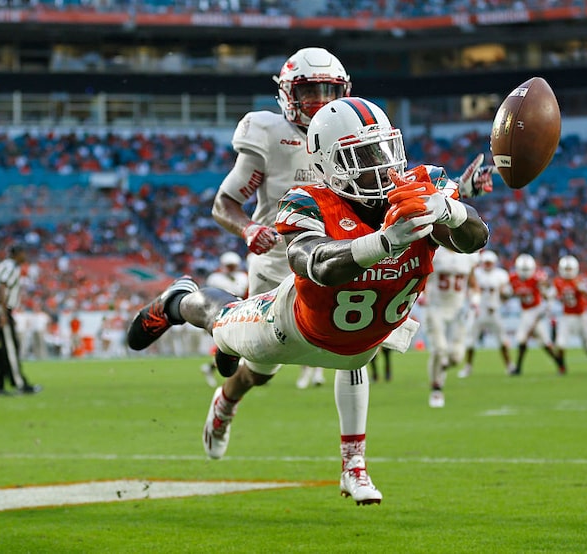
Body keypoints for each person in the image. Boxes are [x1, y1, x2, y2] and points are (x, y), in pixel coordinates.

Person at [126, 96, 490, 504]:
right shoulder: (307, 200)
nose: (381, 166)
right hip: (291, 323)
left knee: (354, 357)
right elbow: (315, 264)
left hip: (356, 339)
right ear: (328, 165)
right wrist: (384, 242)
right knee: (227, 328)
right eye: (361, 156)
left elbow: (473, 240)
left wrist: (452, 212)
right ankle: (178, 301)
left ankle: (354, 467)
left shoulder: (422, 184)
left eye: (384, 149)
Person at [211, 47, 349, 393]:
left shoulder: (351, 132)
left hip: (331, 256)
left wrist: (459, 192)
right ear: (289, 93)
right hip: (276, 260)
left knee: (353, 346)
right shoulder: (269, 131)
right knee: (261, 370)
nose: (319, 100)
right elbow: (225, 203)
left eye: (328, 91)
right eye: (309, 91)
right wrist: (249, 228)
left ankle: (353, 449)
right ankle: (226, 393)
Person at [421, 245, 480, 407]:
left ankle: (439, 370)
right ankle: (436, 389)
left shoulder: (468, 256)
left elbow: (474, 285)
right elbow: (422, 276)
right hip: (436, 307)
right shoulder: (436, 253)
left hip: (458, 310)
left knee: (455, 357)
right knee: (439, 349)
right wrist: (421, 294)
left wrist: (475, 302)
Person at [0, 244, 41, 397]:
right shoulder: (11, 267)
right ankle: (19, 383)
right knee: (10, 348)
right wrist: (3, 313)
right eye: (23, 252)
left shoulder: (3, 265)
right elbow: (3, 286)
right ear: (17, 253)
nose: (25, 256)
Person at [507, 253, 564, 376]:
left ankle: (560, 364)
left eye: (527, 269)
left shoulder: (537, 279)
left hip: (536, 310)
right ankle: (519, 368)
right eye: (523, 269)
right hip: (525, 312)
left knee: (544, 342)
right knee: (522, 340)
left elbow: (548, 293)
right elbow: (509, 292)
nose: (525, 272)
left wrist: (546, 309)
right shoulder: (513, 279)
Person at [458, 250, 512, 378]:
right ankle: (468, 367)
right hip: (478, 311)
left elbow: (506, 294)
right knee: (470, 342)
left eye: (490, 263)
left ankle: (509, 365)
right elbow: (468, 288)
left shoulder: (501, 275)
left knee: (502, 340)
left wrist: (504, 294)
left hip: (494, 312)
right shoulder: (476, 274)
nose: (487, 265)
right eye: (486, 263)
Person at [201, 251, 249, 387]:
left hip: (239, 313)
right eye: (229, 266)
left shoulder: (242, 276)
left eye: (233, 265)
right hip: (221, 314)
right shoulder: (215, 278)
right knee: (229, 344)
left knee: (236, 345)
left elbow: (242, 293)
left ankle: (212, 368)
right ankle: (234, 372)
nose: (231, 268)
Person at [552, 255, 587, 375]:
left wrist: (581, 289)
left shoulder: (579, 280)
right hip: (567, 316)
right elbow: (553, 296)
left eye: (570, 269)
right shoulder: (558, 281)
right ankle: (562, 367)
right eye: (566, 269)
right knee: (560, 343)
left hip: (581, 315)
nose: (568, 272)